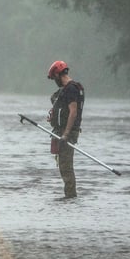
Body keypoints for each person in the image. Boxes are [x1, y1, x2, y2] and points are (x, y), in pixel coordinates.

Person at [47, 60, 85, 198]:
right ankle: (69, 198)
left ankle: (70, 199)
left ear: (58, 74)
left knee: (66, 168)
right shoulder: (67, 89)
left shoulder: (71, 89)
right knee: (64, 167)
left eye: (54, 78)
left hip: (66, 133)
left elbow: (73, 112)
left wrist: (65, 134)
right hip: (61, 131)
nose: (54, 81)